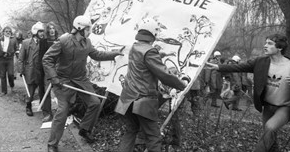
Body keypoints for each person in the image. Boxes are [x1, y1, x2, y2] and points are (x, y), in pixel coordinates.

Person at [206, 34, 290, 151]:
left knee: (270, 128)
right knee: (270, 135)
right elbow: (239, 67)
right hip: (268, 107)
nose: (265, 46)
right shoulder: (260, 62)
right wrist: (218, 67)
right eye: (265, 42)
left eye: (270, 43)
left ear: (280, 48)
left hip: (285, 108)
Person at [43, 15, 123, 152]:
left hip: (80, 79)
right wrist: (54, 77)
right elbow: (47, 59)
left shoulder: (88, 42)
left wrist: (115, 53)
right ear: (79, 28)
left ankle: (84, 129)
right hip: (63, 80)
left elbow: (97, 55)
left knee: (95, 103)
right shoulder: (63, 41)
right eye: (87, 28)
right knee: (62, 112)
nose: (90, 31)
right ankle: (52, 144)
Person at [115, 18, 187, 152]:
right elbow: (164, 75)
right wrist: (183, 85)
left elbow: (143, 58)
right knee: (153, 137)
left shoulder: (134, 47)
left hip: (127, 99)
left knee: (131, 131)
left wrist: (159, 54)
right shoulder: (150, 51)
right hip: (142, 100)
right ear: (153, 34)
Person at [18, 22, 45, 117]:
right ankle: (28, 106)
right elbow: (21, 58)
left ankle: (44, 107)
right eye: (40, 31)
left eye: (43, 31)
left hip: (41, 70)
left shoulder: (44, 42)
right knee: (31, 90)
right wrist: (21, 70)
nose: (42, 33)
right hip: (30, 70)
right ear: (35, 32)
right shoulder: (26, 43)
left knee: (43, 90)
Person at [38, 22, 58, 122]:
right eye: (50, 28)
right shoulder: (43, 42)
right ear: (47, 30)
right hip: (47, 70)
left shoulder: (60, 41)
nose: (52, 30)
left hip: (59, 69)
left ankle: (61, 112)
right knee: (47, 91)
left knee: (61, 91)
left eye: (53, 28)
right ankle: (47, 113)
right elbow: (41, 57)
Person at [0, 26, 18, 95]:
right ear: (3, 32)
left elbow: (17, 48)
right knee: (2, 75)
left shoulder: (14, 39)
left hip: (10, 58)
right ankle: (4, 91)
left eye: (9, 31)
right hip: (1, 59)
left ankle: (12, 86)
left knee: (11, 74)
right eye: (6, 31)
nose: (8, 32)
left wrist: (17, 54)